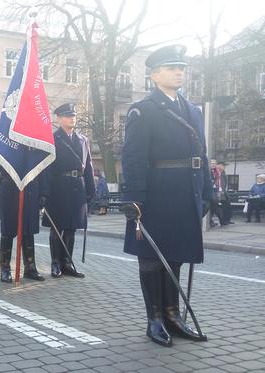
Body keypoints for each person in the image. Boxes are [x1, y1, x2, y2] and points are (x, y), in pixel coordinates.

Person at [120, 45, 211, 347]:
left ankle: (174, 315)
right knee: (151, 258)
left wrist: (208, 190)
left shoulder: (193, 110)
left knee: (176, 256)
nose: (179, 72)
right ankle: (155, 318)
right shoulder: (143, 110)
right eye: (172, 67)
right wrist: (133, 197)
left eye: (181, 67)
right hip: (157, 194)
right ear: (155, 74)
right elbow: (133, 156)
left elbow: (202, 154)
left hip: (186, 192)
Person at [41, 103, 95, 279]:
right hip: (59, 187)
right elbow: (46, 168)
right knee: (57, 228)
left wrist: (90, 190)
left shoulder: (83, 140)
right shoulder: (52, 139)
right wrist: (45, 192)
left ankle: (67, 263)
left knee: (71, 228)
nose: (72, 118)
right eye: (67, 116)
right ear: (59, 119)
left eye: (73, 115)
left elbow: (88, 167)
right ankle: (55, 263)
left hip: (77, 187)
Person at [0, 163, 46, 282]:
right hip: (11, 185)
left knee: (28, 229)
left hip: (30, 186)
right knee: (8, 230)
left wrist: (44, 192)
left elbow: (43, 165)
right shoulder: (6, 143)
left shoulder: (35, 143)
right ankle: (5, 268)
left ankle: (30, 267)